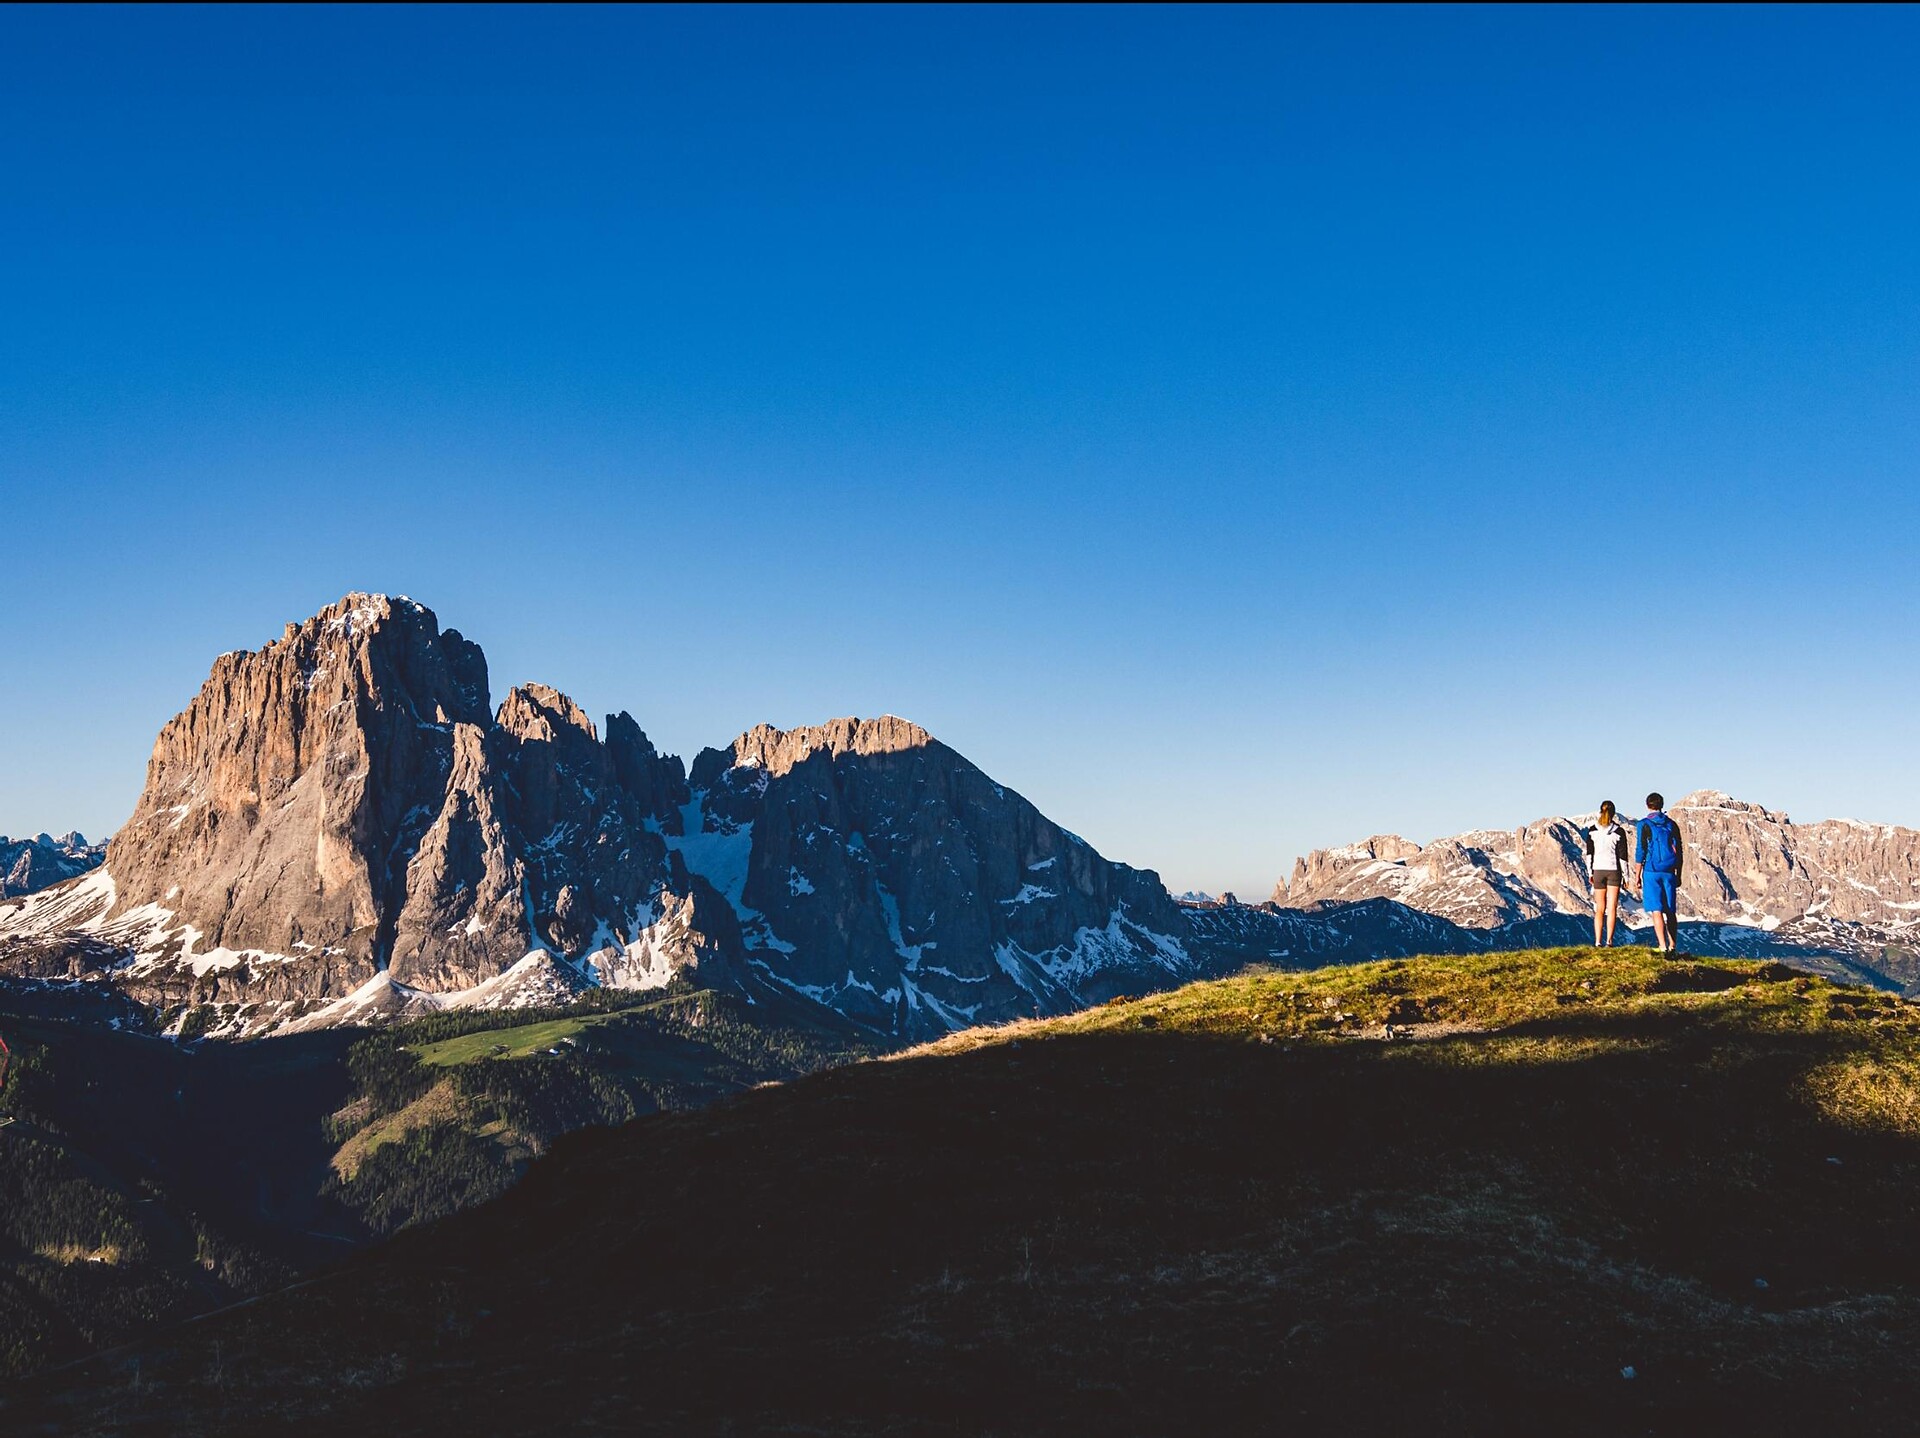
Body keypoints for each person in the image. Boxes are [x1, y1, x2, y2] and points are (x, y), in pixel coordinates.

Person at [1634, 792, 1684, 954]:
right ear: (1662, 805)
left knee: (1657, 910)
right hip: (1669, 870)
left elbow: (1641, 850)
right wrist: (1679, 874)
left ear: (1647, 805)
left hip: (1651, 871)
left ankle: (1662, 946)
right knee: (1670, 911)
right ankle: (1673, 946)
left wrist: (1637, 875)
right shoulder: (1671, 824)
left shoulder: (1644, 824)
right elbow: (1680, 851)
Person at [1582, 800, 1632, 947]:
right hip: (1613, 870)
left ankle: (1597, 941)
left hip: (1598, 870)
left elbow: (1589, 854)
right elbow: (1623, 856)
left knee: (1599, 908)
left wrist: (1590, 872)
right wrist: (1626, 876)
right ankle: (1609, 941)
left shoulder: (1592, 830)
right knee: (1612, 908)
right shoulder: (1618, 831)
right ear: (1614, 813)